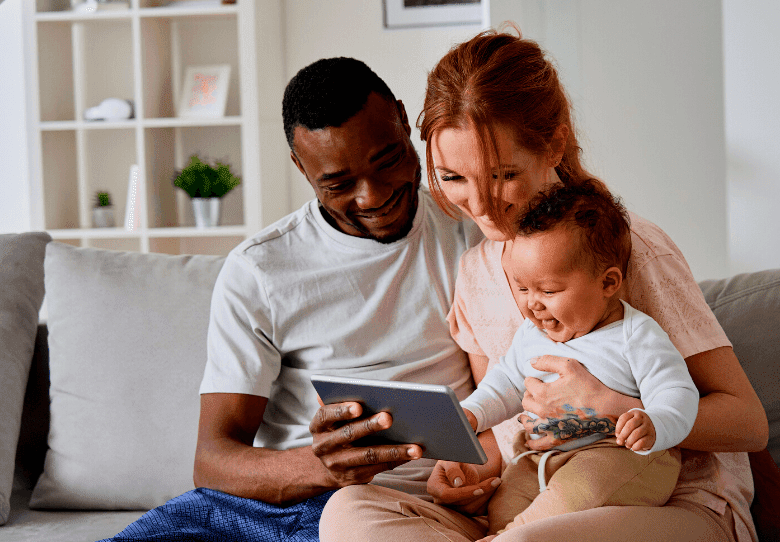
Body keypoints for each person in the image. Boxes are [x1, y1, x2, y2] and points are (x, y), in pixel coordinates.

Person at [319, 29, 768, 542]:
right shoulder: (475, 273)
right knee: (349, 510)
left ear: (553, 143)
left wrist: (614, 408)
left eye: (503, 174)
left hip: (673, 504)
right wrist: (470, 473)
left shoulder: (627, 250)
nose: (481, 206)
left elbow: (749, 423)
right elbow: (504, 420)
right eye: (453, 177)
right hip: (534, 489)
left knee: (533, 540)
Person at [99, 57, 492, 542]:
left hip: (399, 510)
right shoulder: (259, 270)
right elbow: (213, 458)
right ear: (300, 167)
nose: (372, 196)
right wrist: (321, 468)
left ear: (401, 118)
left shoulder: (473, 233)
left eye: (388, 159)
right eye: (339, 184)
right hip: (283, 498)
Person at [450, 181, 699, 540]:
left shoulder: (635, 336)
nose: (532, 304)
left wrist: (655, 422)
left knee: (579, 492)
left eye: (548, 291)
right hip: (542, 456)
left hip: (618, 454)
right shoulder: (531, 334)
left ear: (608, 282)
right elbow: (503, 382)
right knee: (506, 500)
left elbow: (677, 391)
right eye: (523, 288)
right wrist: (472, 413)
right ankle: (505, 532)